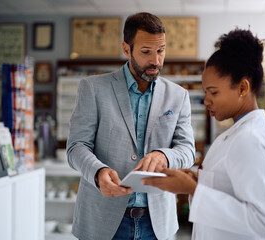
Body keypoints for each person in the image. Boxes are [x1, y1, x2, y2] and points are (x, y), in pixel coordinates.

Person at [66, 12, 195, 240]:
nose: (155, 60)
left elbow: (187, 151)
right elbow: (76, 147)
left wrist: (164, 156)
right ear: (126, 49)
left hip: (157, 225)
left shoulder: (179, 96)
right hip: (102, 222)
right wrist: (98, 172)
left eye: (161, 50)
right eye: (146, 52)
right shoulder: (93, 88)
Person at [143, 28, 265, 240]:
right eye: (205, 91)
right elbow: (233, 188)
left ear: (243, 87)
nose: (206, 100)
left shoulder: (251, 139)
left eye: (213, 92)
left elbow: (261, 224)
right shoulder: (238, 132)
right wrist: (197, 180)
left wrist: (194, 190)